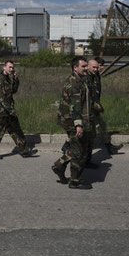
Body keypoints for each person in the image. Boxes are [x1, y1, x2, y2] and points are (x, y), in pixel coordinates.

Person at [51, 56, 94, 189]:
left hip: (78, 119)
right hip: (72, 121)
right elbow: (75, 106)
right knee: (78, 152)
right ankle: (75, 181)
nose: (86, 68)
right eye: (84, 66)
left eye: (87, 66)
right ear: (75, 68)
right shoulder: (74, 84)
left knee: (79, 148)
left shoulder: (81, 80)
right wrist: (78, 125)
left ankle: (59, 166)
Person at [0, 60, 38, 159]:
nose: (11, 69)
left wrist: (15, 80)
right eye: (9, 67)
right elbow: (2, 99)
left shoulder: (7, 79)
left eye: (12, 67)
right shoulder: (0, 80)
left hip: (9, 111)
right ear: (4, 67)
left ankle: (24, 151)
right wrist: (11, 111)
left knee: (16, 131)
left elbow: (13, 91)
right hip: (3, 112)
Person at [93, 57, 123, 155]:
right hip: (90, 107)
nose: (102, 67)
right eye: (101, 65)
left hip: (95, 106)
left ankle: (109, 147)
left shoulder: (97, 75)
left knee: (101, 126)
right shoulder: (91, 76)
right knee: (88, 129)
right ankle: (68, 146)